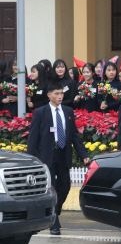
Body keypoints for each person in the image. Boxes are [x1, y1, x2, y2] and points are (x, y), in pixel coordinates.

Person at [27, 82, 89, 235]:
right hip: (47, 154)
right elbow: (33, 137)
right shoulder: (40, 112)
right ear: (49, 95)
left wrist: (84, 155)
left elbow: (74, 134)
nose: (60, 96)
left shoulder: (68, 111)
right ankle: (54, 222)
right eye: (57, 93)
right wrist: (31, 159)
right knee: (52, 187)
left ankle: (55, 211)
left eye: (61, 93)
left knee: (65, 186)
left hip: (63, 152)